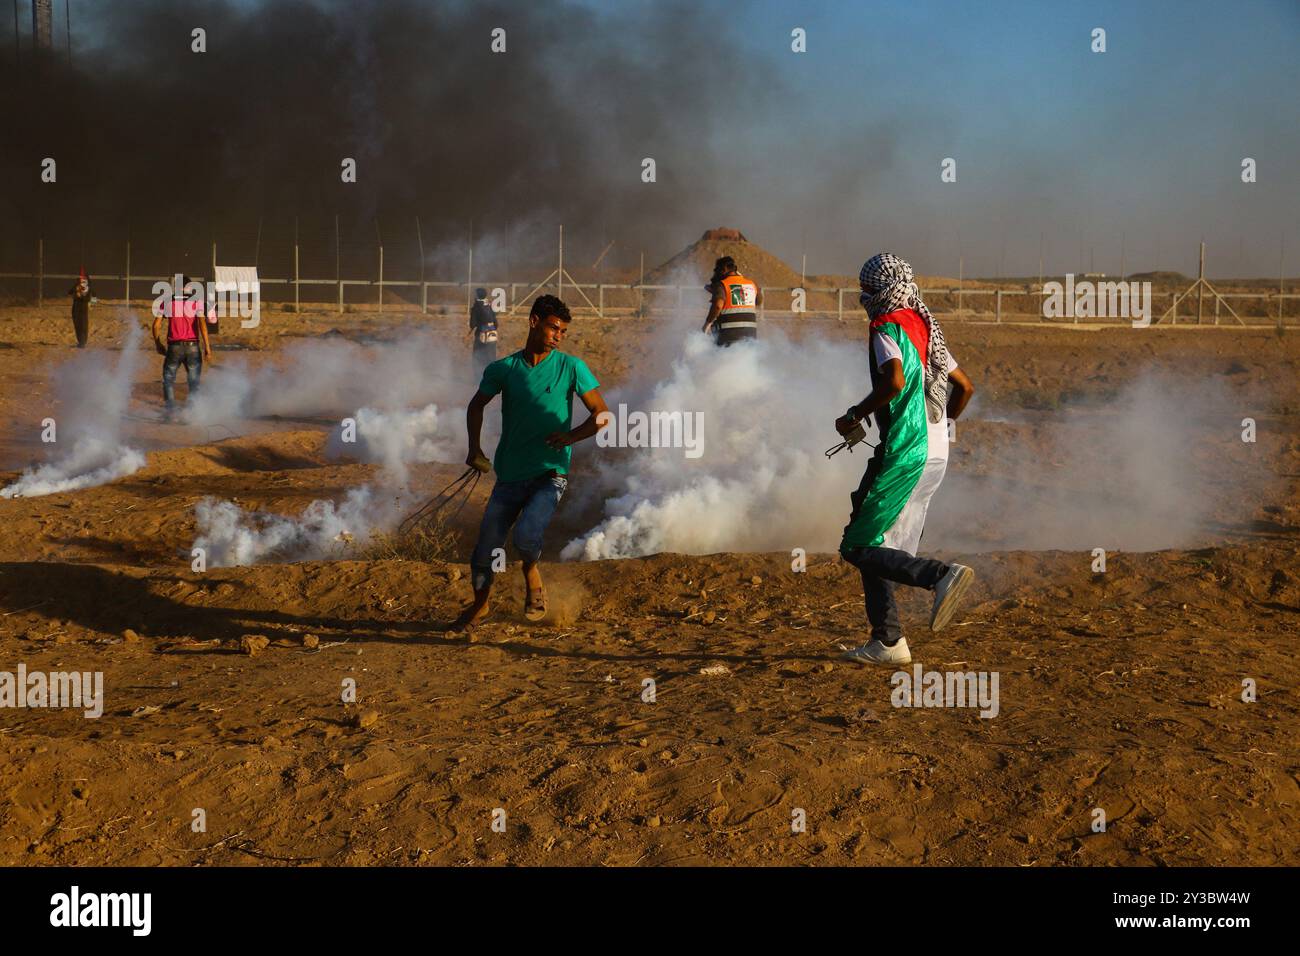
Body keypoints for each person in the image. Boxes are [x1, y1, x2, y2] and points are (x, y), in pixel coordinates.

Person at [836, 253, 976, 666]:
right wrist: (943, 425)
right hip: (935, 449)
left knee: (857, 545)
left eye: (866, 289)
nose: (863, 296)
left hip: (905, 450)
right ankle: (888, 641)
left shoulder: (885, 327)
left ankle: (939, 576)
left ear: (877, 291)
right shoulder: (926, 326)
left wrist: (855, 414)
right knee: (872, 533)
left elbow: (895, 380)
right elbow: (965, 388)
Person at [454, 294, 608, 630]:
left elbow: (602, 415)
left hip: (550, 474)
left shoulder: (571, 367)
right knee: (484, 550)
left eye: (563, 331)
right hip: (509, 474)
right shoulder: (503, 369)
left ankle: (530, 570)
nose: (558, 335)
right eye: (554, 327)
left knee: (525, 536)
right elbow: (475, 406)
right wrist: (473, 449)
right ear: (534, 321)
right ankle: (480, 606)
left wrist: (570, 437)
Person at [150, 275, 212, 419]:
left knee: (168, 379)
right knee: (194, 382)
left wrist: (158, 343)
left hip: (174, 346)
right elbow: (202, 325)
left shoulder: (167, 301)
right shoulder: (197, 302)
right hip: (193, 346)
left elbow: (156, 325)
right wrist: (207, 347)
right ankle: (192, 413)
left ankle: (171, 411)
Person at [701, 256, 762, 346]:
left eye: (718, 270)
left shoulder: (722, 285)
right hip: (750, 337)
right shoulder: (752, 284)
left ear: (724, 269)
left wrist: (707, 324)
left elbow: (718, 306)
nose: (716, 274)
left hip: (729, 337)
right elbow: (758, 301)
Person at [469, 287, 498, 376]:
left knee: (478, 356)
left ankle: (478, 377)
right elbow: (496, 322)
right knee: (491, 357)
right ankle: (492, 376)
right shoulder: (489, 305)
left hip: (481, 335)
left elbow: (472, 324)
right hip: (492, 335)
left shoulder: (476, 307)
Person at [67, 269, 92, 348]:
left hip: (83, 309)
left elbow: (88, 299)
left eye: (83, 279)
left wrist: (81, 295)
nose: (82, 281)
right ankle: (80, 341)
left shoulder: (88, 289)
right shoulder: (76, 287)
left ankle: (83, 342)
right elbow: (69, 292)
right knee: (77, 325)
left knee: (83, 326)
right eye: (80, 279)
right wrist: (76, 288)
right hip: (75, 309)